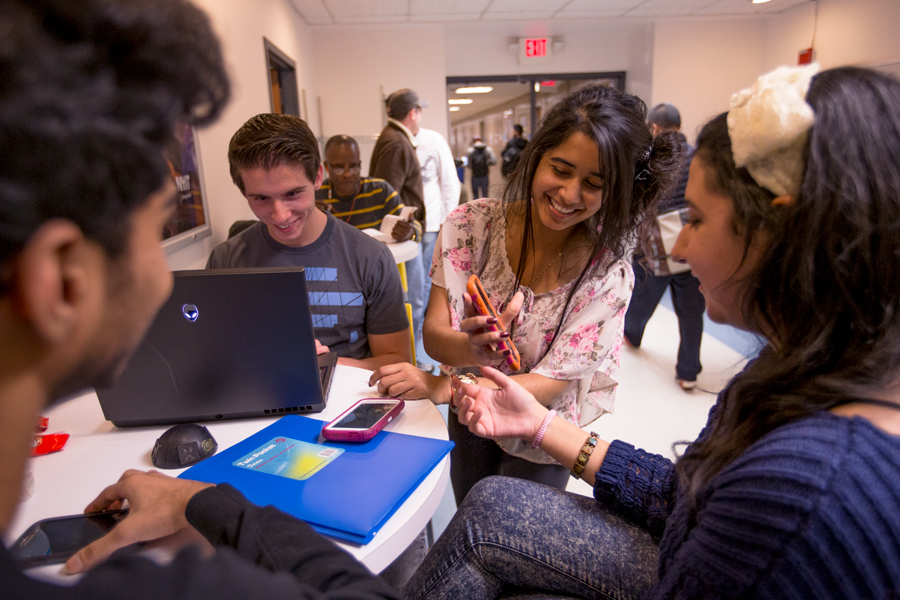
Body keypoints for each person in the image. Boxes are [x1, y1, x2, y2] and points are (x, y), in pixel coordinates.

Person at [404, 64, 900, 600]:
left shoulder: (800, 496)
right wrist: (540, 424)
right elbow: (683, 498)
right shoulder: (799, 376)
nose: (680, 248)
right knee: (490, 500)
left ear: (773, 231)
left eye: (696, 220)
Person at [0, 0, 397, 598]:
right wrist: (207, 505)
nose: (164, 281)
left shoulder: (366, 256)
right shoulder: (231, 258)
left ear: (317, 177)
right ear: (59, 278)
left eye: (293, 193)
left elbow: (401, 369)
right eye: (154, 226)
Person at [370, 85, 679, 505]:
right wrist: (470, 349)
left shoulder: (607, 274)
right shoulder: (470, 226)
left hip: (543, 432)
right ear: (536, 158)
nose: (569, 195)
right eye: (561, 169)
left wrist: (450, 386)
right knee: (470, 509)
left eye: (593, 183)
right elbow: (434, 334)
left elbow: (552, 382)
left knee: (518, 536)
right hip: (469, 413)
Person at [207, 114, 411, 371]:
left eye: (292, 194)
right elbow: (215, 358)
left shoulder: (371, 258)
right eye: (260, 198)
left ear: (317, 177)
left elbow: (397, 362)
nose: (280, 215)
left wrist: (321, 366)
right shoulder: (225, 260)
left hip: (348, 401)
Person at [624, 103, 706, 391]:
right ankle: (689, 372)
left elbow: (639, 199)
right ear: (680, 127)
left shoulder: (652, 159)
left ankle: (632, 336)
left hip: (656, 243)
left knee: (642, 296)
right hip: (693, 242)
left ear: (655, 128)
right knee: (692, 310)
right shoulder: (699, 158)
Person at [370, 88, 428, 367]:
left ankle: (413, 360)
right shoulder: (396, 143)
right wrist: (406, 228)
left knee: (416, 298)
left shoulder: (393, 139)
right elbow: (388, 195)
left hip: (404, 238)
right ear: (413, 113)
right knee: (414, 301)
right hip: (400, 241)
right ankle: (412, 364)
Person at [415, 125, 461, 363]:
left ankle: (420, 345)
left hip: (433, 224)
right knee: (420, 285)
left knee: (427, 282)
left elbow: (450, 182)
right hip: (416, 223)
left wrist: (448, 222)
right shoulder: (399, 140)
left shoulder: (433, 140)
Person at [316, 134, 419, 241]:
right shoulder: (316, 195)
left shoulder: (380, 191)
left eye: (353, 166)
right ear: (327, 167)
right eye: (339, 168)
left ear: (360, 165)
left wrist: (411, 232)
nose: (347, 174)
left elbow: (414, 226)